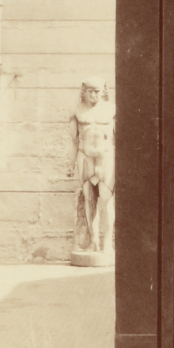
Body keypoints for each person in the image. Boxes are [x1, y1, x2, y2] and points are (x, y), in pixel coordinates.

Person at [70, 81, 116, 259]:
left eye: (96, 91)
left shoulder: (112, 110)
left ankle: (107, 242)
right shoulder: (77, 111)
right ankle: (94, 241)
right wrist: (70, 164)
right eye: (90, 91)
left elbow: (118, 138)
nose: (93, 95)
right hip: (85, 157)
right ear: (84, 92)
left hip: (106, 157)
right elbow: (74, 141)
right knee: (89, 201)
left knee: (106, 200)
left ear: (103, 91)